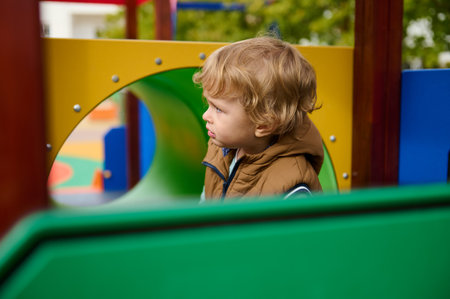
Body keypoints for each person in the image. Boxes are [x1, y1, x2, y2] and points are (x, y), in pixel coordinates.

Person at [193, 36, 324, 201]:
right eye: (209, 104)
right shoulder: (222, 149)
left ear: (263, 124)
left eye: (218, 109)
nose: (206, 115)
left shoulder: (292, 186)